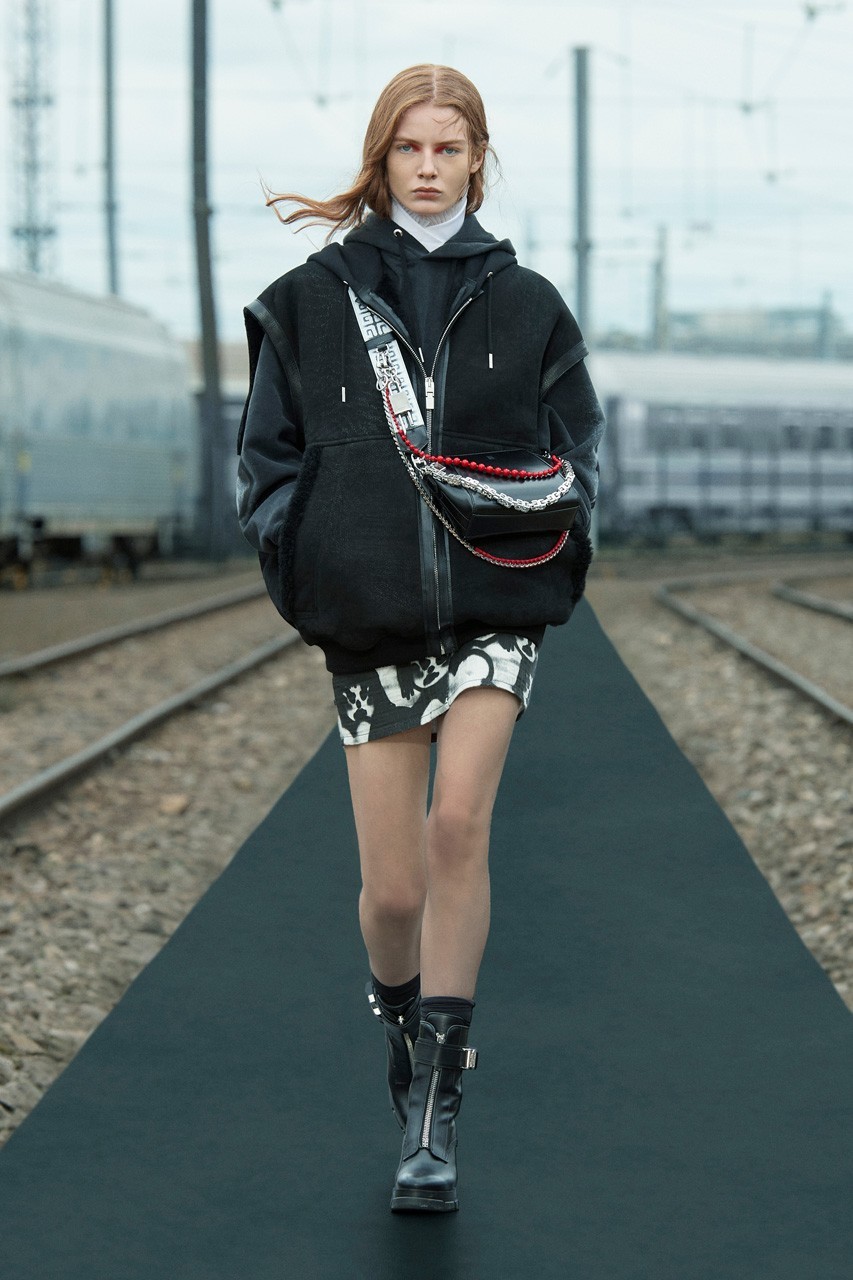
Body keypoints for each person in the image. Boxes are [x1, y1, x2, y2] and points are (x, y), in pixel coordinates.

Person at [236, 63, 605, 1214]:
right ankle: (401, 1025)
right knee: (392, 891)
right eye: (410, 148)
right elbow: (265, 463)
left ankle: (436, 1106)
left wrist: (557, 552)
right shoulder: (310, 301)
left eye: (449, 147)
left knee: (458, 825)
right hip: (373, 617)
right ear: (382, 156)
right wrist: (310, 564)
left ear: (477, 158)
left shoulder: (529, 303)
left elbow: (579, 453)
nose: (429, 167)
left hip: (496, 610)